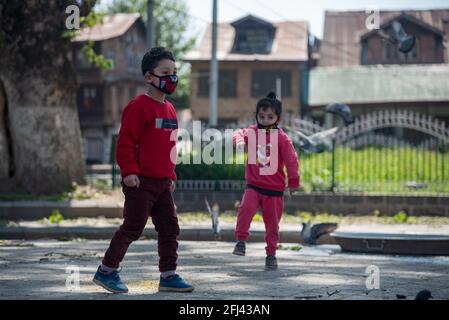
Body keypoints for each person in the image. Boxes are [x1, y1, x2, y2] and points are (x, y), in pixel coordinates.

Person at [92, 47, 194, 293]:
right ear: (149, 77)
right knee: (133, 227)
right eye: (165, 72)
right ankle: (106, 271)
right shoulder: (138, 107)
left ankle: (168, 275)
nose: (172, 78)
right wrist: (129, 172)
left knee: (170, 228)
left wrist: (171, 175)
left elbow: (169, 146)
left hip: (162, 184)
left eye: (174, 72)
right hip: (140, 183)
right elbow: (125, 142)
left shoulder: (170, 110)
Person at [232, 91, 300, 270]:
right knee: (245, 209)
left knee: (272, 225)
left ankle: (271, 253)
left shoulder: (282, 139)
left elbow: (292, 160)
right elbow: (239, 133)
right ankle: (240, 241)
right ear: (256, 116)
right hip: (253, 186)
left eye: (270, 116)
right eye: (261, 116)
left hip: (274, 191)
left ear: (278, 118)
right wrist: (239, 142)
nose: (265, 120)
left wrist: (293, 182)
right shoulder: (252, 132)